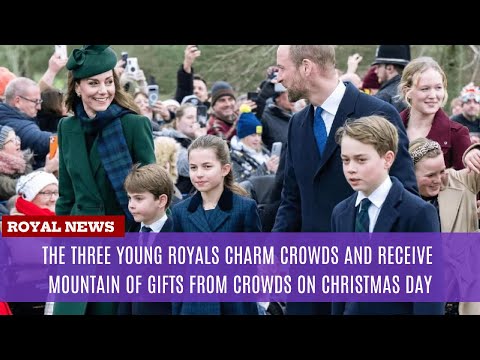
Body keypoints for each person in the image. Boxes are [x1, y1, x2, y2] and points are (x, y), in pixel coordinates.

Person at [272, 45, 418, 315]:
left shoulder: (378, 113)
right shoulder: (298, 123)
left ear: (306, 67)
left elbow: (405, 196)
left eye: (281, 69)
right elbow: (291, 199)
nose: (277, 77)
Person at [53, 45, 156, 316]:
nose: (103, 90)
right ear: (77, 88)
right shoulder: (67, 127)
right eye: (93, 83)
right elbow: (66, 196)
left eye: (109, 82)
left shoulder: (134, 125)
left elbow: (153, 194)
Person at [331, 115, 443, 315]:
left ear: (387, 159)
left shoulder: (417, 213)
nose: (351, 169)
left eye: (361, 159)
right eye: (345, 160)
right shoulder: (341, 213)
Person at [171, 134, 261, 315]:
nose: (199, 174)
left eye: (207, 167)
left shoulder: (245, 208)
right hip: (193, 306)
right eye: (193, 168)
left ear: (225, 169)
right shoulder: (180, 211)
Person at [409, 137, 480, 315]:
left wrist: (474, 152)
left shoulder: (461, 182)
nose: (439, 180)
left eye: (441, 171)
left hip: (463, 303)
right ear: (410, 173)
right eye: (430, 175)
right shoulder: (400, 201)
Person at [117, 163, 174, 315]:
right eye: (130, 198)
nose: (131, 205)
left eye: (139, 199)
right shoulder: (131, 234)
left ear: (161, 201)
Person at [398, 56, 471, 170]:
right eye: (425, 89)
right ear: (407, 91)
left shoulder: (457, 134)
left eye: (438, 88)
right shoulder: (390, 129)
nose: (433, 96)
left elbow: (467, 183)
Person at [8, 170, 59, 315]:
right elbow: (37, 255)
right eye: (46, 193)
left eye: (56, 192)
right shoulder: (16, 223)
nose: (53, 198)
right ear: (29, 197)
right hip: (30, 294)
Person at [372, 45, 411, 113]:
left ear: (390, 68)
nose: (376, 71)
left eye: (378, 66)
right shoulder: (413, 91)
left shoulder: (383, 97)